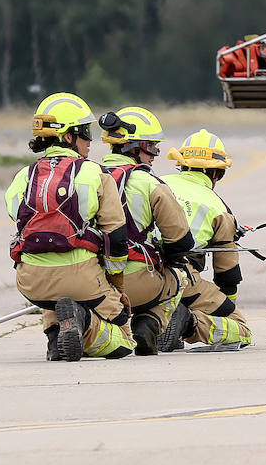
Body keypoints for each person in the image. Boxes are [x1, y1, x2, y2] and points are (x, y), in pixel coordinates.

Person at [5, 92, 134, 362]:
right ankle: (83, 321)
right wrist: (115, 283)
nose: (90, 139)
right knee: (123, 338)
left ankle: (55, 339)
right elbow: (117, 236)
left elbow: (17, 218)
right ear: (67, 137)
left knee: (58, 299)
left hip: (31, 282)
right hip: (82, 278)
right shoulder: (95, 173)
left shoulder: (22, 176)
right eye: (85, 132)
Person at [97, 106, 196, 355]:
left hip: (94, 281)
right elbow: (181, 240)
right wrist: (170, 256)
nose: (155, 154)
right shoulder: (149, 183)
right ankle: (148, 324)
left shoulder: (88, 176)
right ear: (134, 146)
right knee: (179, 278)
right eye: (151, 146)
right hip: (135, 280)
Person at [161, 129, 253, 351]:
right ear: (217, 174)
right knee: (241, 330)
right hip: (181, 277)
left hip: (133, 272)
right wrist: (227, 305)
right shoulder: (218, 207)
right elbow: (227, 273)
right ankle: (187, 323)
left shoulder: (157, 183)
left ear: (181, 165)